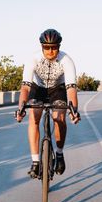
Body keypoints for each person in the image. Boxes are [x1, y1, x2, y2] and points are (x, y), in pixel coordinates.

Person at [15, 28, 81, 178]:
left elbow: (71, 89)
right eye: (47, 48)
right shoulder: (33, 59)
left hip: (58, 89)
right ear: (42, 47)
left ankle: (59, 154)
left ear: (59, 47)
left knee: (59, 117)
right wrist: (21, 108)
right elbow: (25, 87)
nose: (50, 51)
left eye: (54, 48)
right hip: (38, 89)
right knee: (34, 116)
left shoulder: (66, 60)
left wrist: (74, 110)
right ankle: (35, 161)